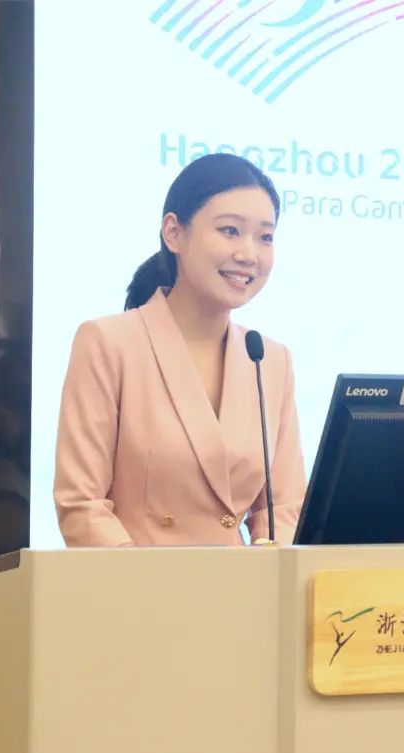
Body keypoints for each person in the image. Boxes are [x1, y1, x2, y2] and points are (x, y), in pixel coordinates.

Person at [54, 154, 305, 547]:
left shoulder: (270, 359)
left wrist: (274, 565)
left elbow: (284, 509)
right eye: (230, 230)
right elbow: (81, 505)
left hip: (242, 583)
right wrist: (152, 579)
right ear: (174, 232)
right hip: (139, 581)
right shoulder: (108, 342)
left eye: (265, 236)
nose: (248, 254)